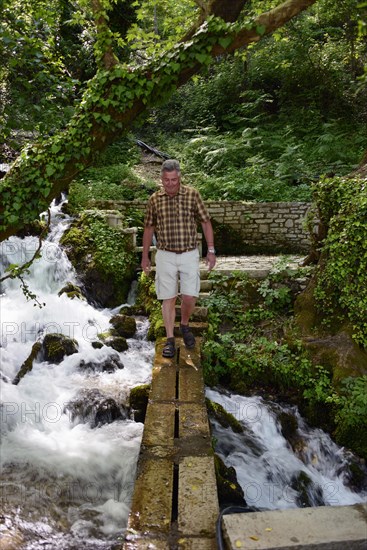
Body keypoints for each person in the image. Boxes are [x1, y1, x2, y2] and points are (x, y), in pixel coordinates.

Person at [141, 159, 216, 358]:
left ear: (179, 177)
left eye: (174, 180)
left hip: (189, 254)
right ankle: (170, 339)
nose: (170, 184)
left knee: (190, 296)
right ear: (161, 179)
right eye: (166, 180)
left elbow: (206, 222)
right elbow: (148, 228)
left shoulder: (192, 195)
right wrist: (145, 257)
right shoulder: (155, 199)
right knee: (168, 297)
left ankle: (184, 324)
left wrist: (211, 250)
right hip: (165, 254)